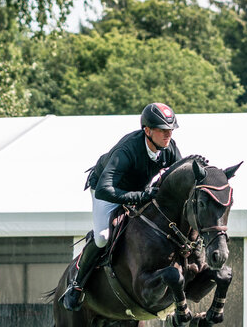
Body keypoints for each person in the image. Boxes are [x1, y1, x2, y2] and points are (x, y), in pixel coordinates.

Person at [60, 102, 183, 311]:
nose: (168, 134)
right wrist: (141, 196)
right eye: (162, 130)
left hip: (138, 189)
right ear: (147, 130)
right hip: (107, 190)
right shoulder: (127, 150)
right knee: (102, 237)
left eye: (170, 130)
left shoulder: (169, 148)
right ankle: (77, 284)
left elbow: (178, 177)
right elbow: (104, 189)